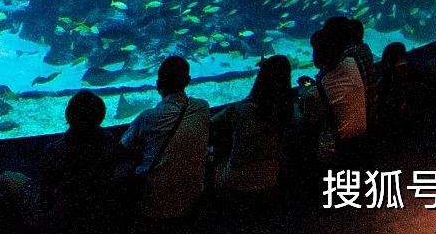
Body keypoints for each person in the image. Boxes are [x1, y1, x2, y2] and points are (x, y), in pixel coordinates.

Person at [118, 56, 208, 223]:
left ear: (158, 84)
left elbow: (123, 145)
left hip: (154, 205)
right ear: (188, 81)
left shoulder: (147, 117)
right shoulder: (202, 107)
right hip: (194, 199)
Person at [35, 89, 129, 234]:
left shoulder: (54, 151)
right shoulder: (113, 145)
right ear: (101, 116)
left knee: (8, 178)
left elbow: (45, 196)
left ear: (68, 115)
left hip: (67, 218)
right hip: (103, 215)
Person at [209, 55, 291, 202]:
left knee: (211, 164)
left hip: (236, 180)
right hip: (271, 176)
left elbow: (210, 123)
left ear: (260, 79)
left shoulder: (241, 109)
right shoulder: (288, 110)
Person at [301, 27, 367, 161]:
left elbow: (311, 119)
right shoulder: (352, 62)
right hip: (362, 137)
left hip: (337, 147)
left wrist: (305, 91)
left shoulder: (318, 90)